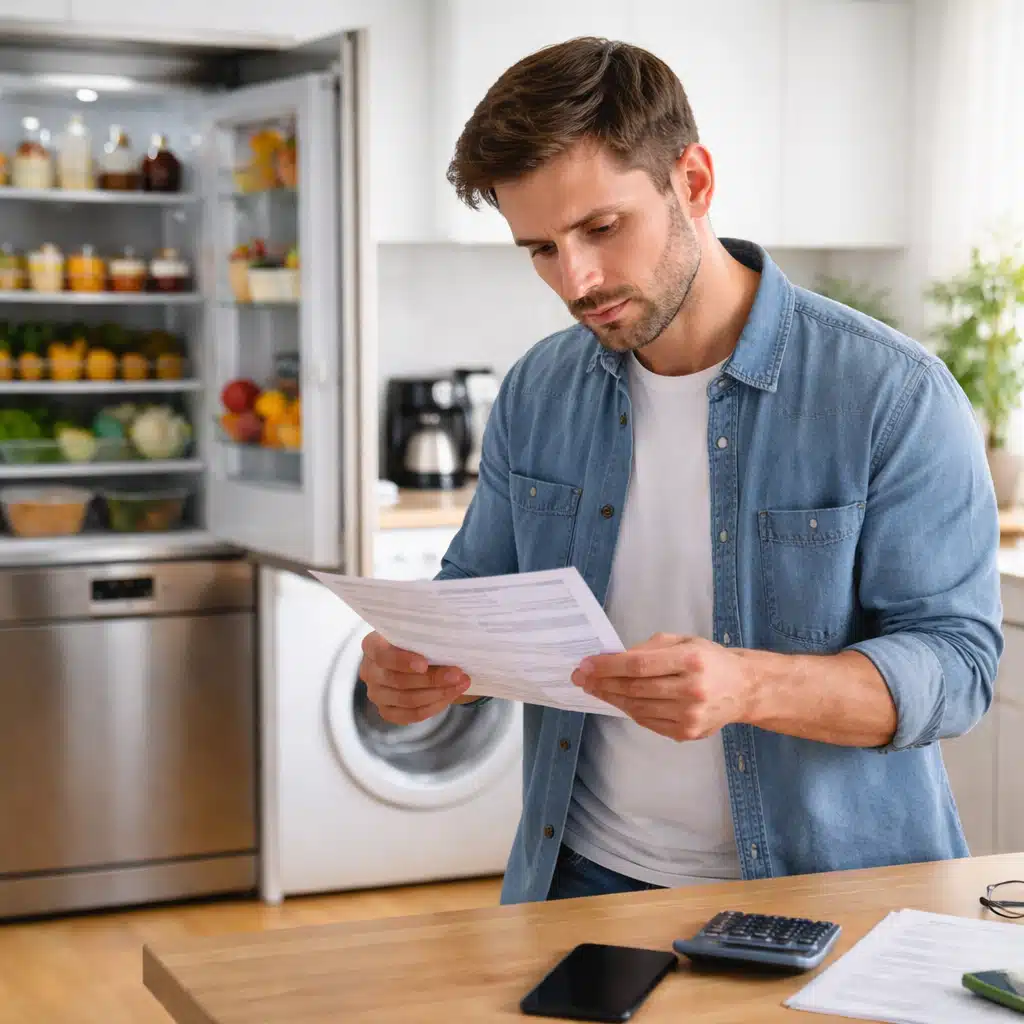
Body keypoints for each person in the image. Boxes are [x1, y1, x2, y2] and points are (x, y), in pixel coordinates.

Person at [358, 37, 1003, 905]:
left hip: (828, 892)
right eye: (540, 249)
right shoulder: (538, 391)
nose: (576, 280)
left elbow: (958, 668)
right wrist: (424, 674)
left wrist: (750, 685)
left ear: (692, 181)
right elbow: (477, 599)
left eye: (600, 228)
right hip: (581, 881)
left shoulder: (889, 393)